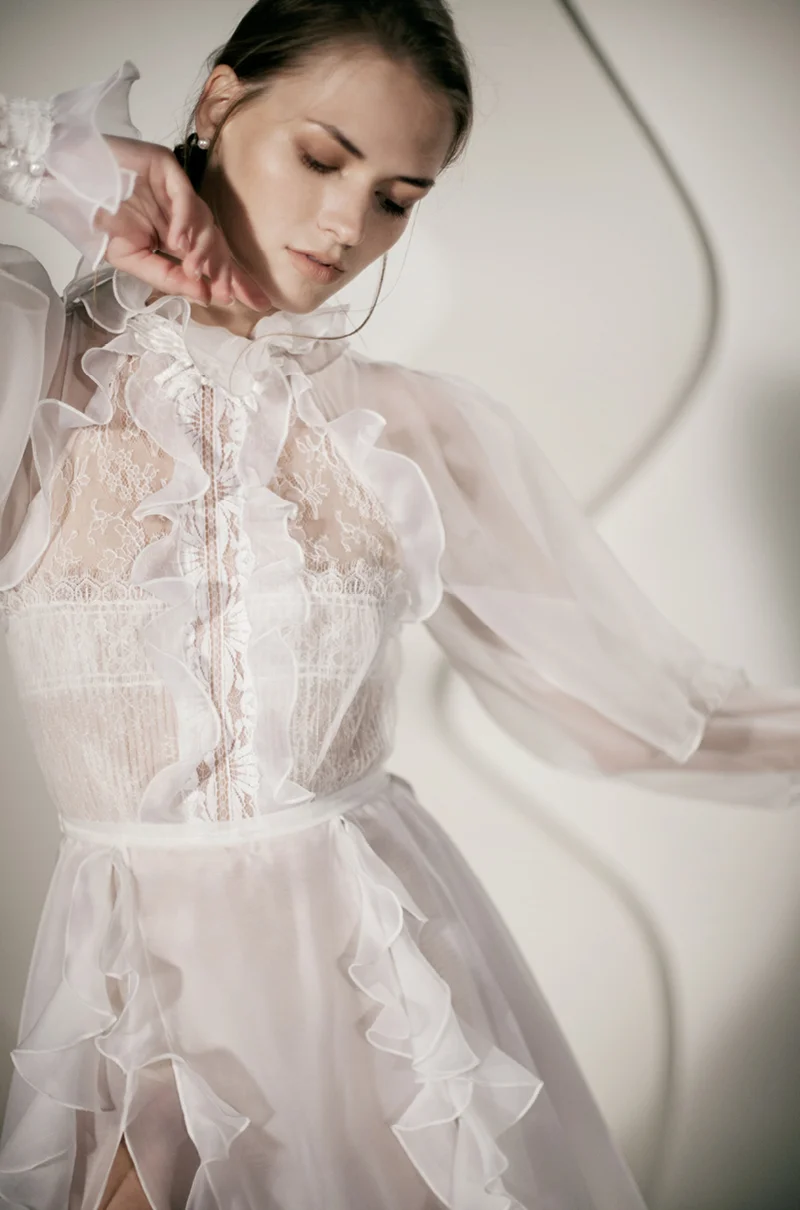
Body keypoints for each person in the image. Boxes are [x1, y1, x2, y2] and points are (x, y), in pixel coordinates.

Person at [0, 2, 798, 1208]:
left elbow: (621, 719)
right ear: (216, 102)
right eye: (322, 158)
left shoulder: (413, 428)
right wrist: (51, 159)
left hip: (385, 990)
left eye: (396, 197)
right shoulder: (38, 373)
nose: (347, 224)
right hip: (133, 991)